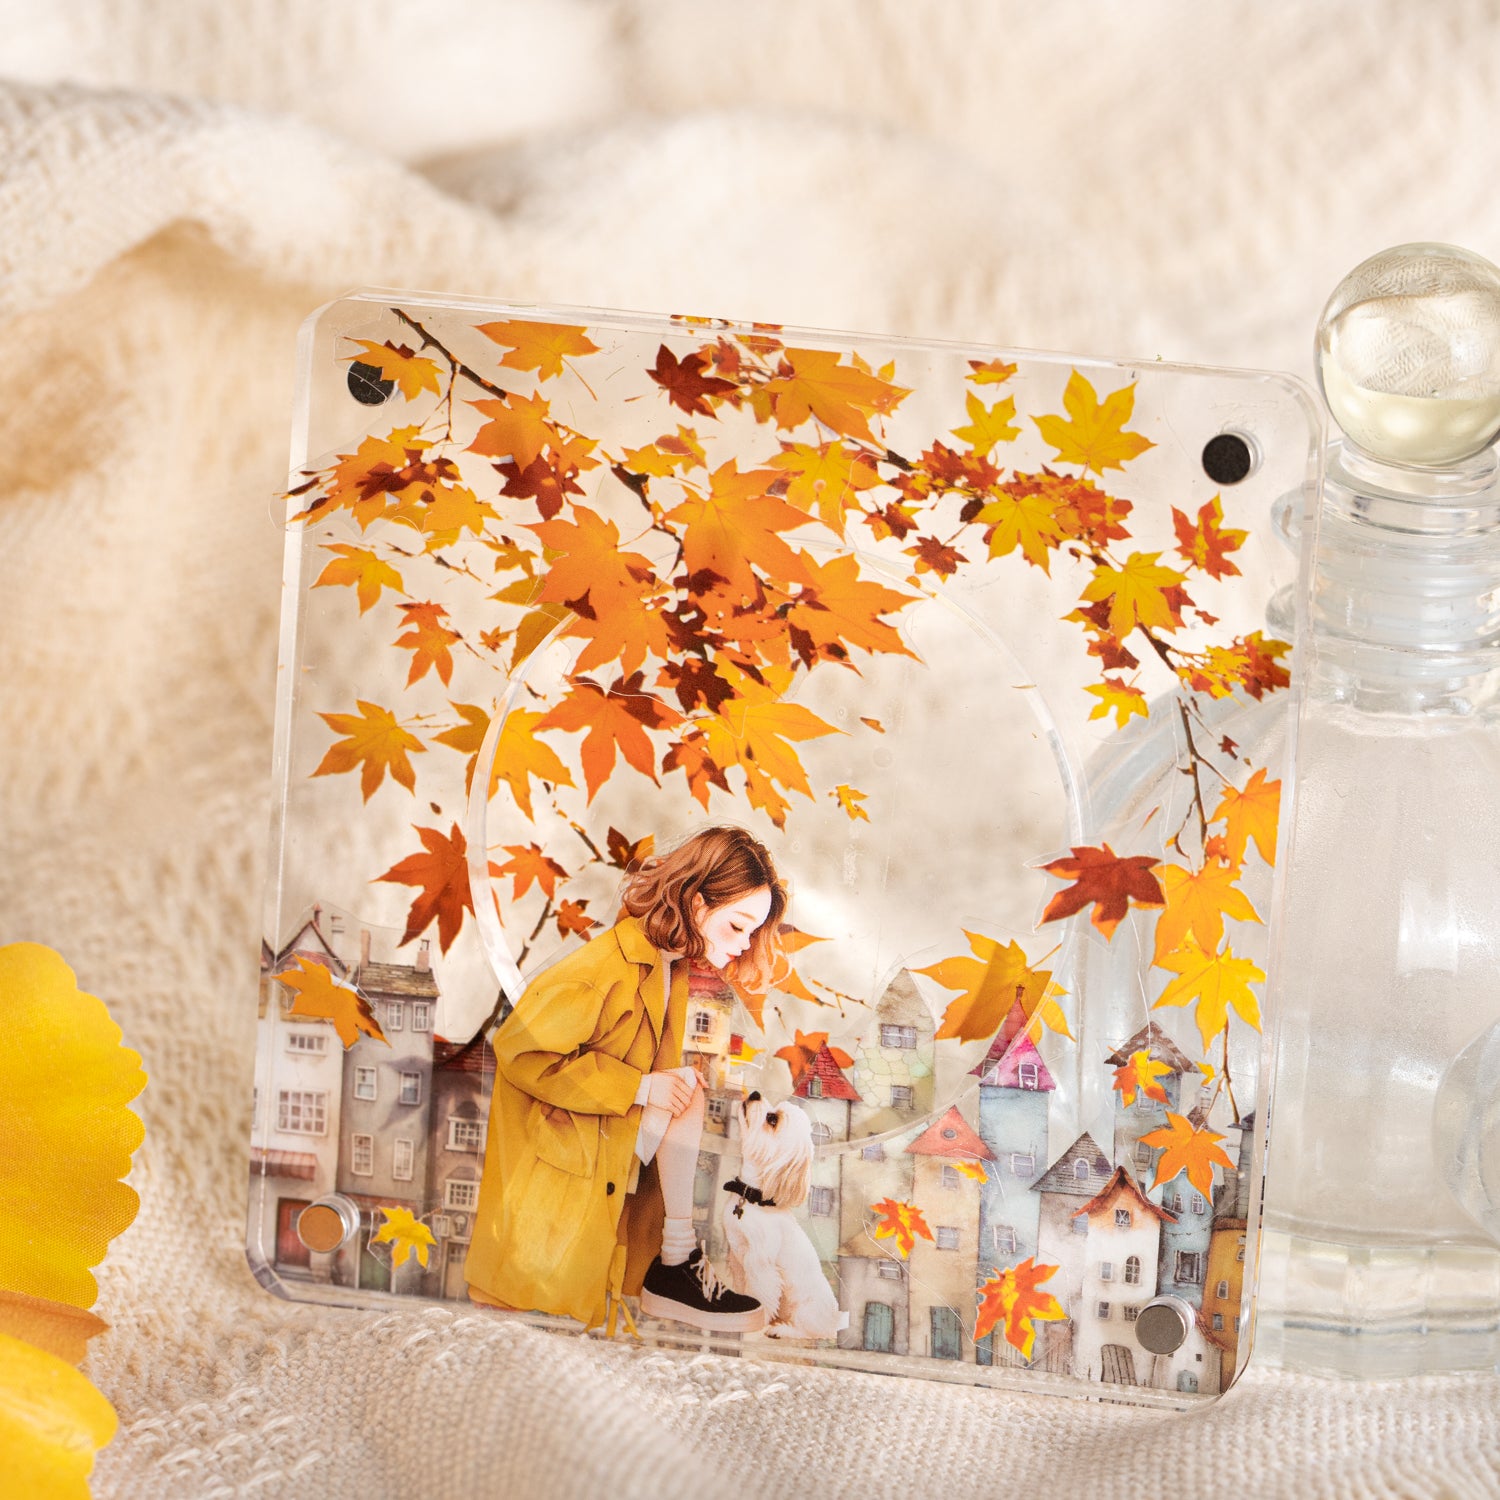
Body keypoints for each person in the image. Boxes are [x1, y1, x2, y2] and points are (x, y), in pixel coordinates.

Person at [464, 825, 787, 1333]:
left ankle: (675, 1260)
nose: (745, 944)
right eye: (737, 926)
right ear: (697, 904)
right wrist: (639, 1088)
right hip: (555, 1164)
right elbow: (521, 1052)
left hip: (597, 1144)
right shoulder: (605, 967)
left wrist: (653, 1089)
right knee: (510, 1325)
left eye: (753, 932)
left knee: (686, 1093)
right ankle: (674, 1264)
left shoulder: (667, 966)